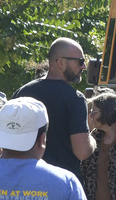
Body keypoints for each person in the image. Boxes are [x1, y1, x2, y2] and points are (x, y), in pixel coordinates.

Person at [13, 39, 95, 176]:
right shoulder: (75, 98)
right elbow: (82, 151)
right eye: (80, 61)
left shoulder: (22, 92)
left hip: (22, 180)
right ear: (60, 62)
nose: (84, 67)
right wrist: (92, 139)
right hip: (60, 184)